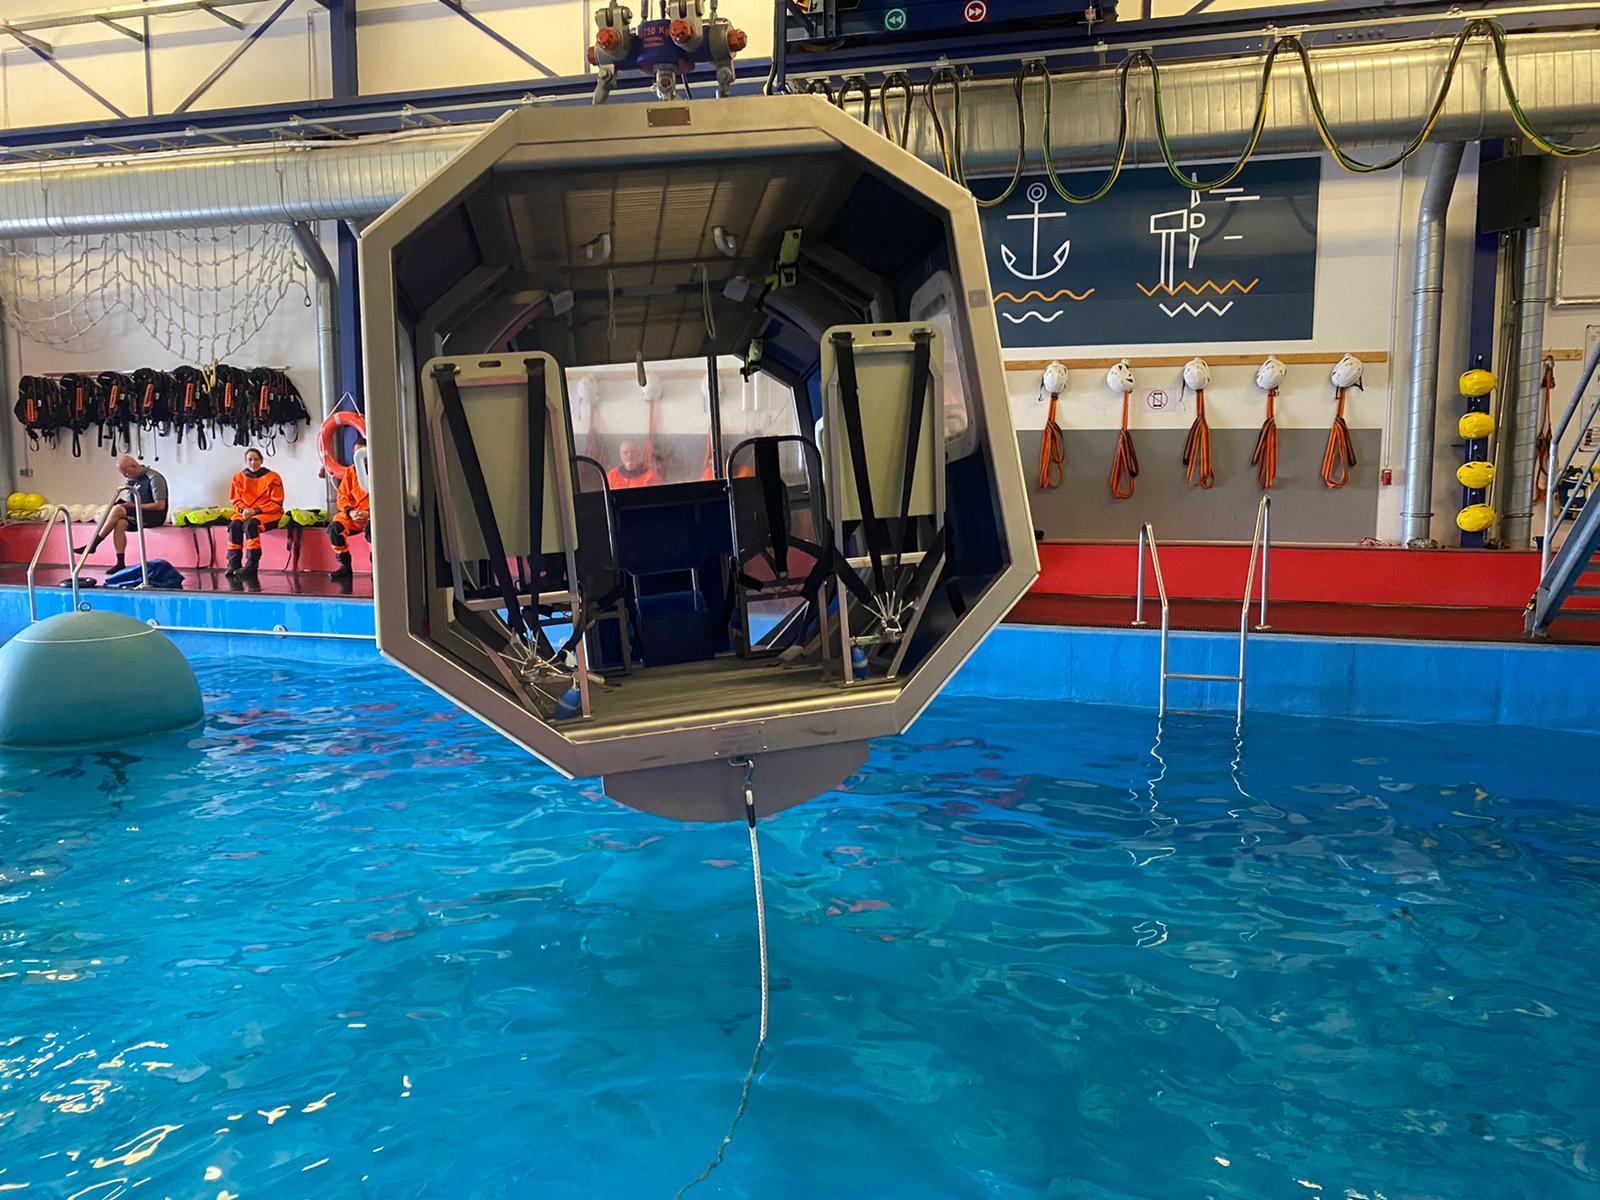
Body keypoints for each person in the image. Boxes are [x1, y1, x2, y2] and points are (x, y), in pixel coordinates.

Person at [85, 455, 168, 572]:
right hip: (139, 513)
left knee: (118, 510)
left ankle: (94, 544)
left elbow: (160, 505)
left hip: (155, 515)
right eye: (123, 474)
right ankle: (120, 562)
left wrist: (134, 506)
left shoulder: (154, 478)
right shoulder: (131, 480)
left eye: (126, 473)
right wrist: (124, 504)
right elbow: (130, 502)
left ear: (134, 466)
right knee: (120, 523)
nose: (125, 476)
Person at [226, 447, 284, 580]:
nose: (253, 463)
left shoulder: (273, 477)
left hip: (269, 513)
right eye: (250, 459)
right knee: (234, 525)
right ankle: (233, 563)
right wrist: (244, 510)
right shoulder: (238, 477)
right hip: (245, 512)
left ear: (261, 460)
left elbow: (276, 503)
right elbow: (235, 500)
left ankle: (252, 564)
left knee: (250, 525)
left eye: (256, 459)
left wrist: (255, 511)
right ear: (245, 461)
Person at [328, 437, 370, 581]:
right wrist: (350, 512)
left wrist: (369, 514)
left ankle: (377, 569)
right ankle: (345, 566)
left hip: (373, 516)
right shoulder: (351, 472)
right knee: (335, 528)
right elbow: (342, 497)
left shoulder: (380, 470)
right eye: (357, 453)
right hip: (353, 515)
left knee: (372, 529)